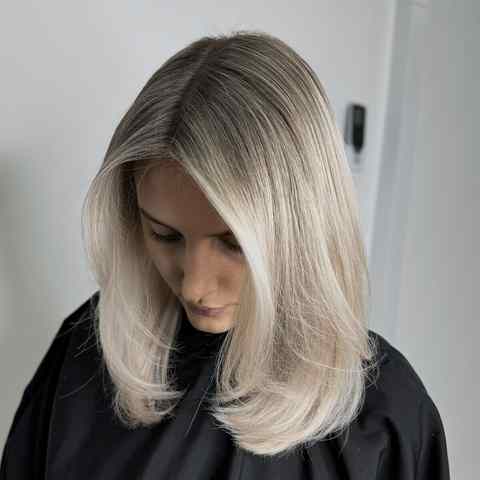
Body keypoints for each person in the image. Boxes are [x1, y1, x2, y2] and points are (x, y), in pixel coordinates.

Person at [0, 30, 450, 479]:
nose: (195, 286)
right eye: (165, 235)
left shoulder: (385, 416)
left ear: (303, 230)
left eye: (234, 244)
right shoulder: (88, 351)